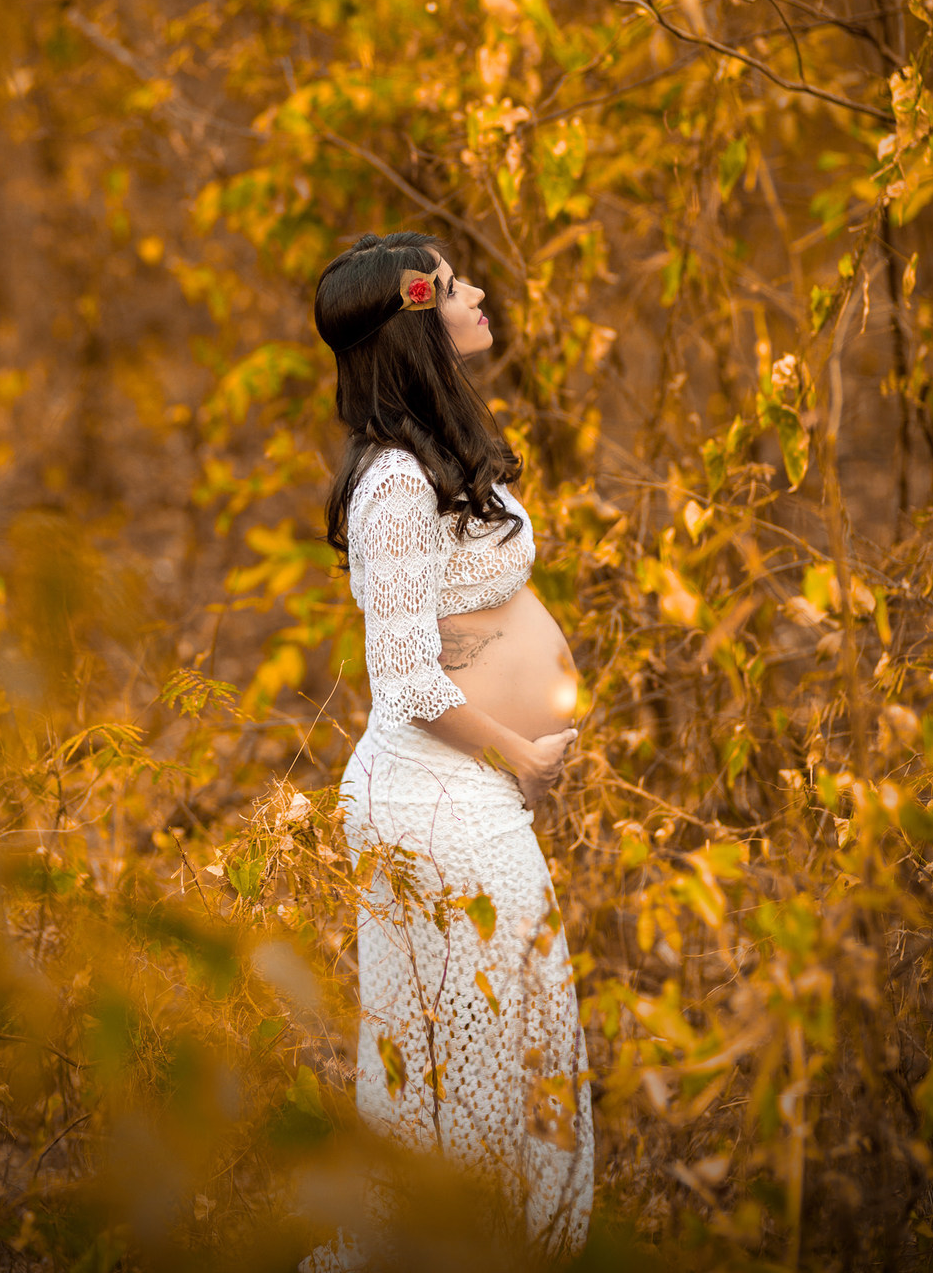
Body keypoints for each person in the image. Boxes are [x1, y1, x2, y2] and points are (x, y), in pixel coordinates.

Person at [303, 230, 593, 1267]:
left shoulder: (436, 452)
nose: (477, 292)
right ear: (418, 320)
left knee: (514, 1039)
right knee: (478, 1063)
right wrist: (521, 751)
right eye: (455, 282)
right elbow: (409, 676)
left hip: (463, 798)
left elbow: (454, 610)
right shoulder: (390, 485)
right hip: (435, 801)